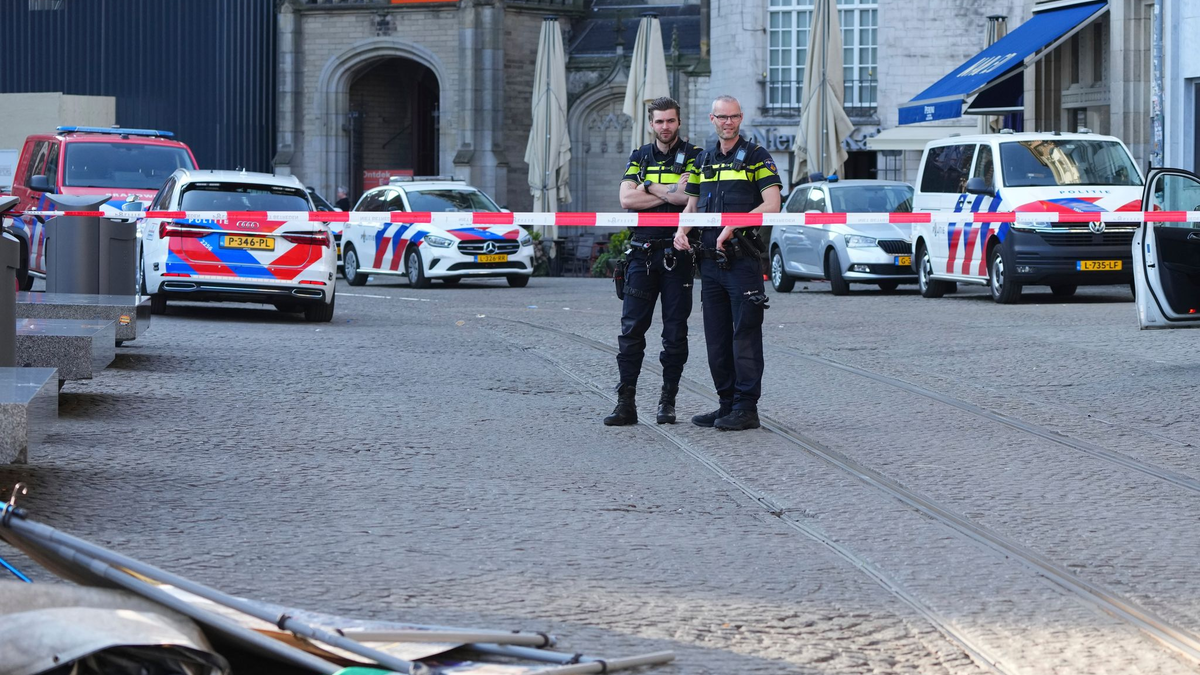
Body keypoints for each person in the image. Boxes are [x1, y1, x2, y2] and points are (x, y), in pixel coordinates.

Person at [674, 95, 781, 431]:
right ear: (712, 119)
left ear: (741, 118)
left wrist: (733, 224)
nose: (728, 122)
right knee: (717, 339)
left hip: (741, 260)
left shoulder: (756, 157)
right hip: (709, 262)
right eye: (722, 117)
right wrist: (681, 231)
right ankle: (725, 404)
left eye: (734, 117)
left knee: (744, 335)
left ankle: (746, 409)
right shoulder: (703, 161)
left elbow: (773, 205)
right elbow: (691, 208)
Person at [603, 96, 703, 427]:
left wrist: (648, 186)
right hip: (641, 255)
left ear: (678, 122)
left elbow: (686, 197)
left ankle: (667, 401)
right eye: (659, 121)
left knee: (675, 334)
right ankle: (625, 402)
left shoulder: (694, 156)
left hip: (677, 254)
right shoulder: (639, 156)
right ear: (650, 124)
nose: (665, 127)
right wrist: (663, 189)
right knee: (631, 331)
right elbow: (625, 198)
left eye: (670, 121)